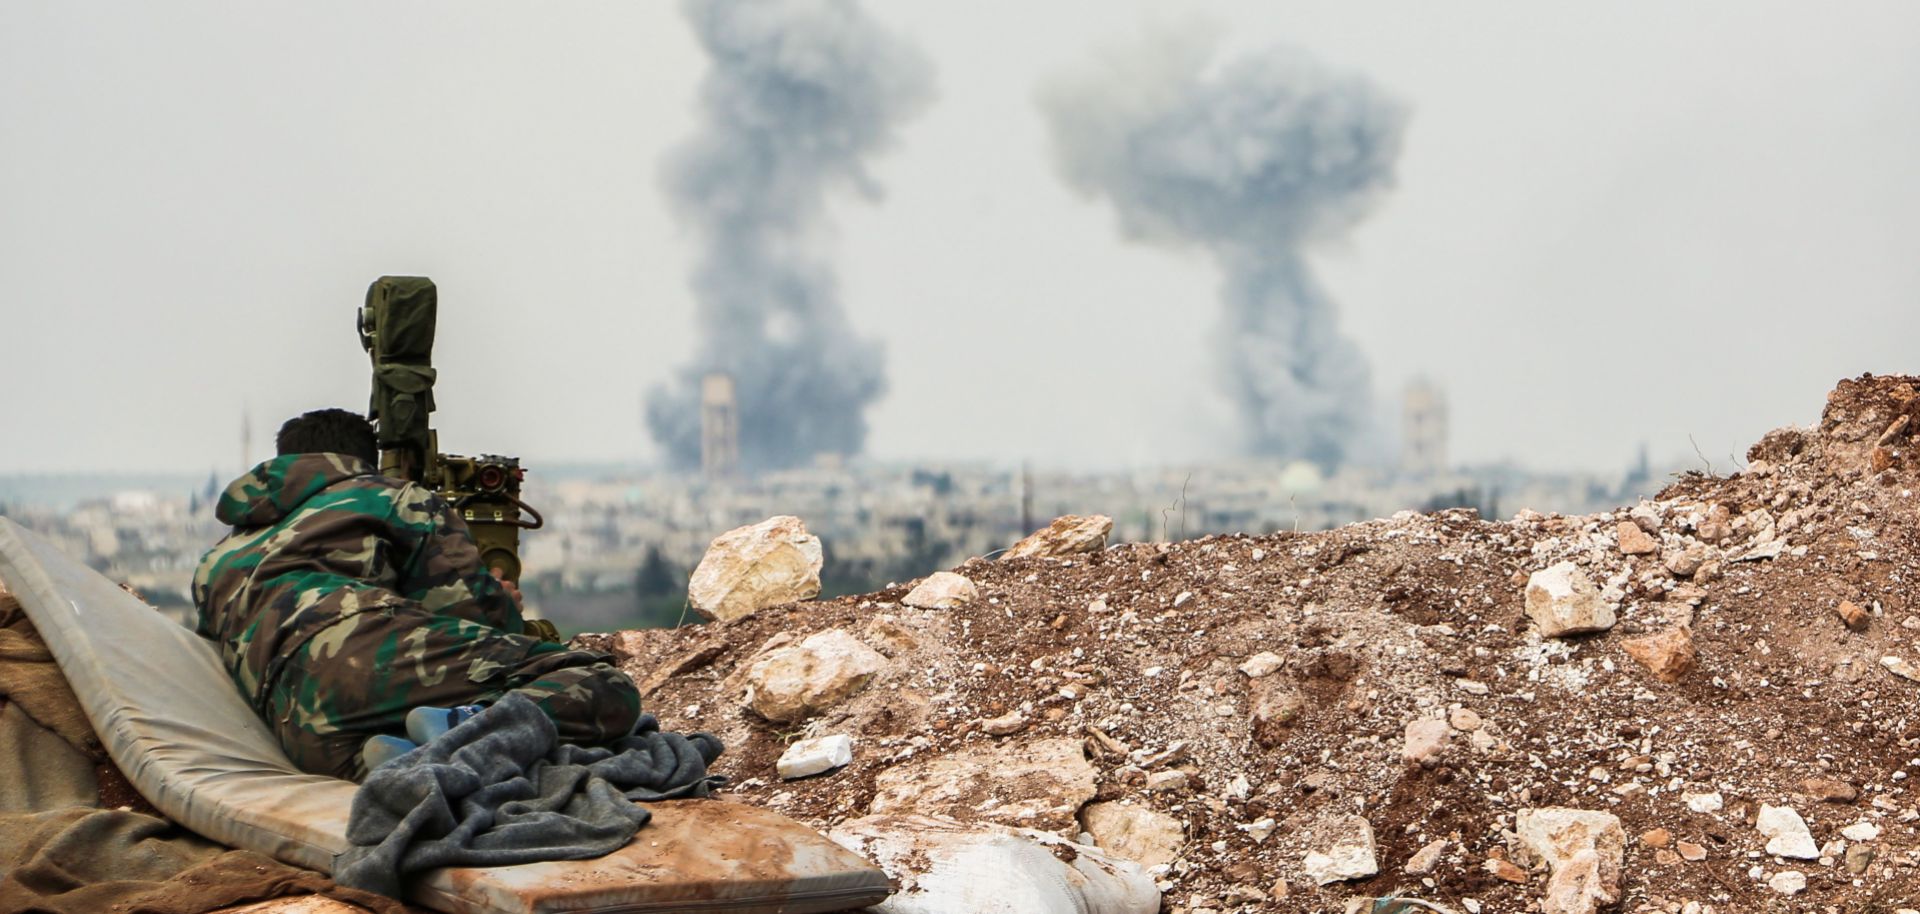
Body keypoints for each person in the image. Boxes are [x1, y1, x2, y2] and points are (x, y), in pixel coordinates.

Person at [193, 408, 641, 780]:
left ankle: (420, 750)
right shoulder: (388, 497)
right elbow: (479, 616)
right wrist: (505, 603)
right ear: (362, 461)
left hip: (303, 734)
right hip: (365, 658)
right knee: (604, 687)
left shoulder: (219, 559)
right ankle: (464, 727)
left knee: (398, 769)